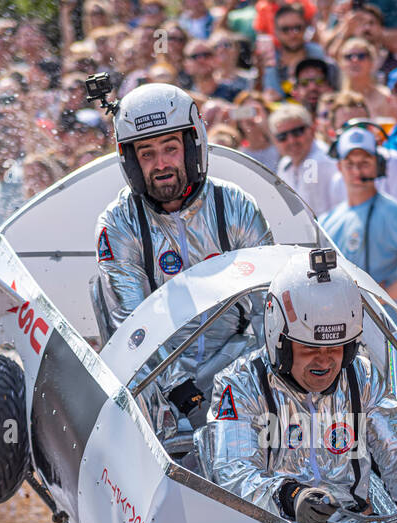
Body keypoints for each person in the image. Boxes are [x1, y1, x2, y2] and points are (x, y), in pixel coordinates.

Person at [205, 248, 397, 523]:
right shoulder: (240, 384)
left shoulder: (363, 376)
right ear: (279, 342)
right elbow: (233, 473)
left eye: (336, 348)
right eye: (309, 349)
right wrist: (291, 497)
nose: (324, 360)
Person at [93, 82, 272, 422]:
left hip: (236, 361)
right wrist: (178, 388)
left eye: (170, 149)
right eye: (146, 154)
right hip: (157, 380)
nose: (161, 164)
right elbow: (131, 324)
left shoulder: (235, 204)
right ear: (131, 162)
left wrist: (266, 377)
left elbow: (268, 304)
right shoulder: (117, 222)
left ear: (193, 146)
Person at [322, 125, 397, 300]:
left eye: (364, 163)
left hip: (377, 325)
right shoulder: (329, 219)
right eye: (350, 164)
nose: (357, 171)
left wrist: (385, 298)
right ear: (339, 167)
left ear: (378, 165)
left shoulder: (394, 212)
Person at [271, 103, 339, 216]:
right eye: (282, 136)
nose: (291, 140)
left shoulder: (319, 162)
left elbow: (315, 216)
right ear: (275, 141)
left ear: (312, 130)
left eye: (297, 132)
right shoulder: (285, 163)